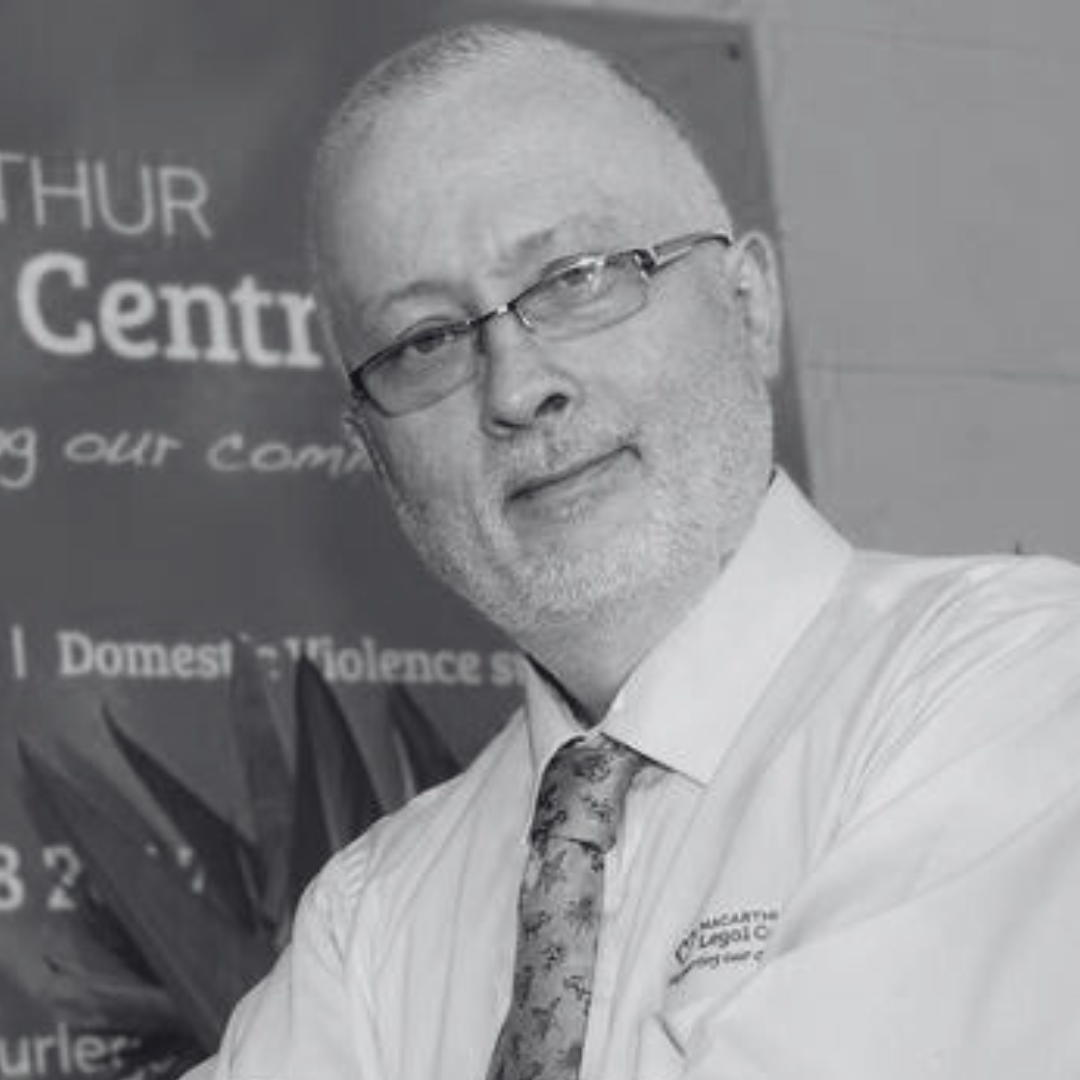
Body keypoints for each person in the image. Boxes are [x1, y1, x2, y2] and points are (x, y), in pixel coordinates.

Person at [185, 22, 1080, 1080]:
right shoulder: (372, 922)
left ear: (749, 307)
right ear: (375, 455)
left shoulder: (1015, 683)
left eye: (577, 278)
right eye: (427, 340)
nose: (517, 387)